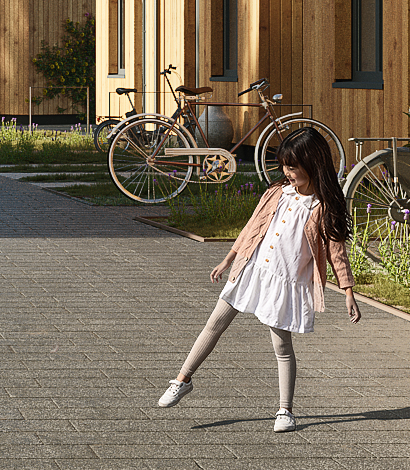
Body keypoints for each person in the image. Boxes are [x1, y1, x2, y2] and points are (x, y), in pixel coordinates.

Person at [154, 131, 360, 431]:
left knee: (282, 346)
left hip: (284, 282)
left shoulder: (323, 206)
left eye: (293, 167)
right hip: (251, 270)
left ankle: (285, 411)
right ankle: (182, 379)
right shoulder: (277, 192)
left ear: (313, 164)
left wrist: (348, 291)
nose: (288, 173)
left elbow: (337, 251)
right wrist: (228, 259)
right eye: (285, 167)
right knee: (214, 324)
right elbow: (252, 227)